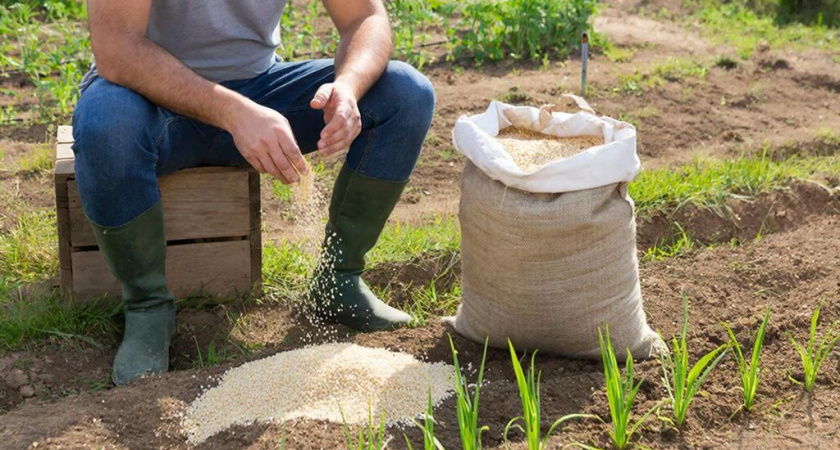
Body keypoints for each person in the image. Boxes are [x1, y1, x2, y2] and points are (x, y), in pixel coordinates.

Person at [73, 0, 435, 385]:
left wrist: (348, 86)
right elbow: (117, 46)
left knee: (405, 92)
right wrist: (233, 112)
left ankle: (338, 281)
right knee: (105, 124)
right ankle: (147, 306)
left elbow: (365, 17)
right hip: (147, 101)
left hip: (261, 89)